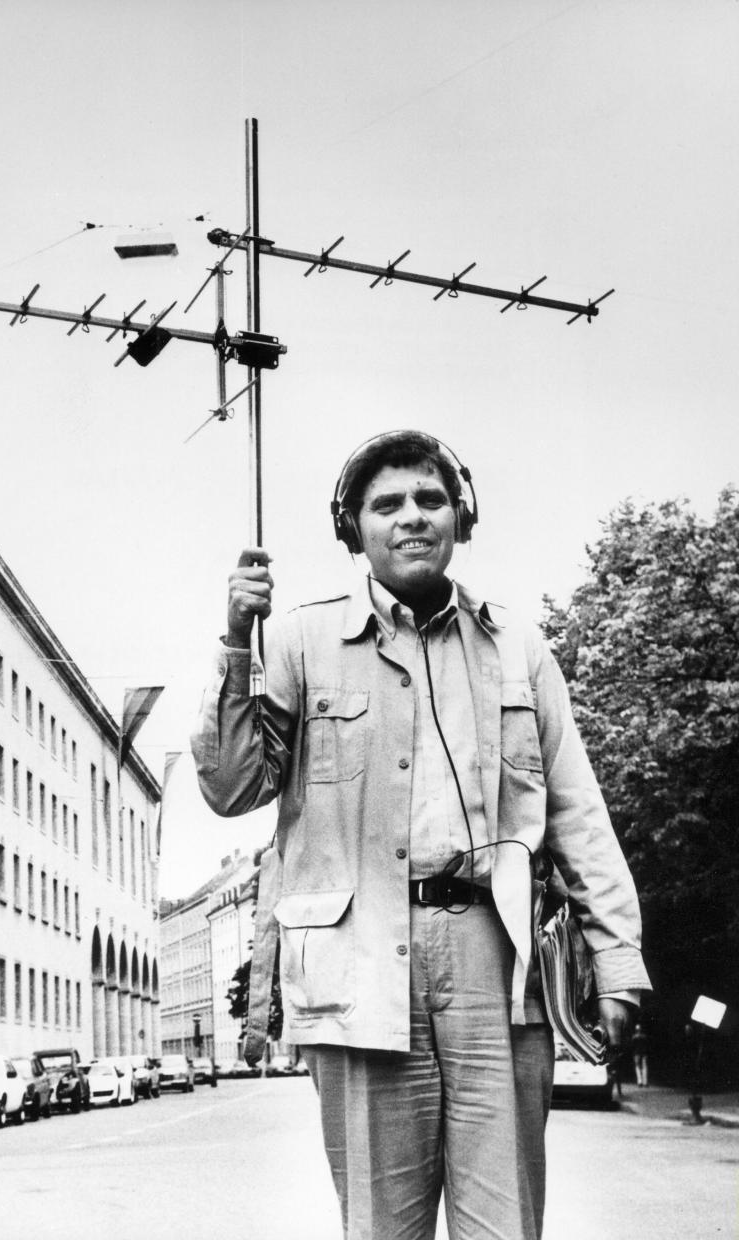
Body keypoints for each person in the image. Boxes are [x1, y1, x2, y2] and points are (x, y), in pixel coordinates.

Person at [192, 429, 651, 1240]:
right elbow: (231, 788)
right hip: (358, 963)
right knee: (380, 1228)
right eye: (387, 504)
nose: (412, 518)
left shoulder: (520, 649)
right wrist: (237, 642)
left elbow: (579, 814)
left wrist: (617, 960)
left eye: (430, 500)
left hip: (496, 963)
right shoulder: (298, 642)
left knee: (505, 1225)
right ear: (355, 531)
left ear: (461, 518)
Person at [631, 1021, 650, 1087]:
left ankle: (640, 1081)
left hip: (636, 1053)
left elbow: (632, 1046)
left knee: (638, 1067)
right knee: (644, 1067)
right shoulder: (644, 1036)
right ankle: (645, 1082)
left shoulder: (634, 1037)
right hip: (644, 1053)